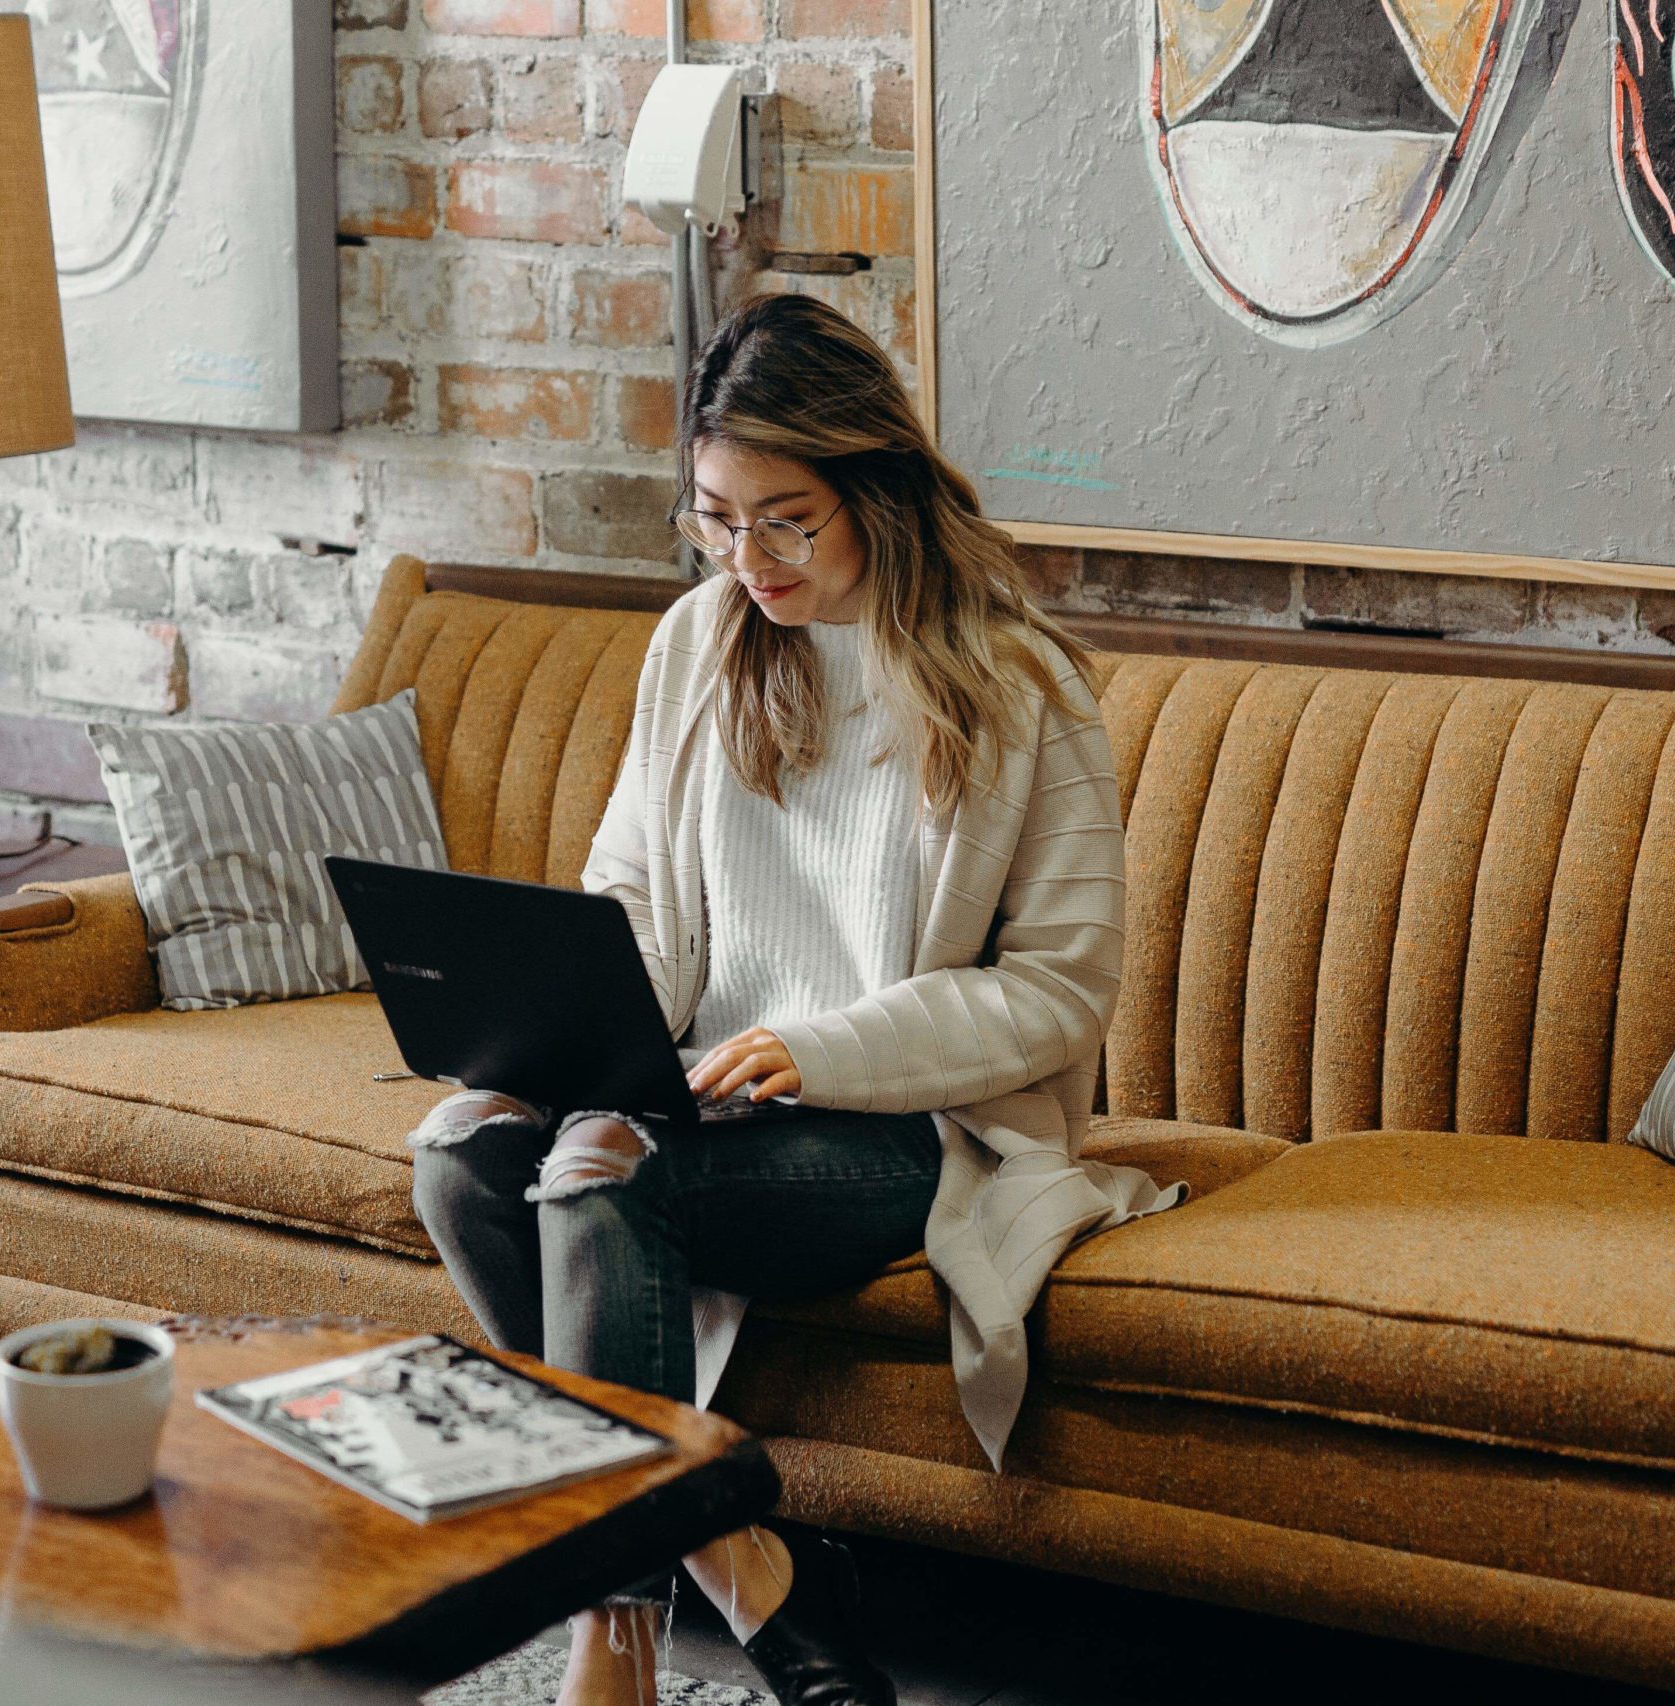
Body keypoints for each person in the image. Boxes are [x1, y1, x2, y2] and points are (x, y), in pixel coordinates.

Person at [407, 293, 1184, 1706]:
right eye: (714, 517)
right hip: (695, 1090)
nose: (745, 558)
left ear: (873, 490)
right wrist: (584, 1029)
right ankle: (744, 1557)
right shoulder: (699, 645)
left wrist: (810, 1049)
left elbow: (1061, 991)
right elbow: (632, 897)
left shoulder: (1021, 686)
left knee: (599, 1171)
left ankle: (613, 1641)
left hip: (902, 1125)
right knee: (463, 1152)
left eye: (786, 520)